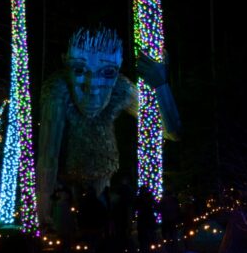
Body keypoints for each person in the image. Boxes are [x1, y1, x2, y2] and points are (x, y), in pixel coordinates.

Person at [36, 27, 181, 228]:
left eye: (107, 73)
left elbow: (172, 132)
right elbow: (47, 155)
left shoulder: (121, 89)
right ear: (65, 64)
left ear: (118, 68)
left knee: (98, 213)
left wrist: (160, 85)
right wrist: (43, 216)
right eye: (79, 70)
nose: (92, 87)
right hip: (73, 176)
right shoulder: (58, 89)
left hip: (104, 171)